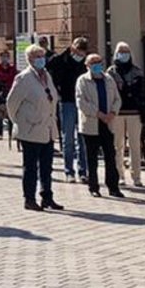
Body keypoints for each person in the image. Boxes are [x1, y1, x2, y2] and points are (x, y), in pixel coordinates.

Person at [4, 43, 63, 212]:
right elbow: (11, 103)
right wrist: (20, 122)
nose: (41, 59)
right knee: (30, 167)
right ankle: (29, 199)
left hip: (47, 128)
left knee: (47, 166)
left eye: (42, 56)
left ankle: (47, 197)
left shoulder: (47, 75)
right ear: (29, 59)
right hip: (30, 129)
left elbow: (51, 98)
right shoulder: (24, 78)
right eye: (37, 56)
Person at [74, 52, 124, 197]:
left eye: (99, 62)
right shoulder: (82, 80)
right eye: (93, 63)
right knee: (92, 158)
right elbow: (81, 102)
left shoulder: (109, 79)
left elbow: (117, 99)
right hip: (91, 124)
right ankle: (94, 187)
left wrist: (112, 113)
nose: (97, 65)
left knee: (110, 156)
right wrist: (99, 114)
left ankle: (113, 187)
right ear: (87, 65)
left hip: (108, 123)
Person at [108, 42, 145, 190]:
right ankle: (120, 175)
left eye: (126, 51)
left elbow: (142, 92)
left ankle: (136, 176)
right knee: (117, 145)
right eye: (121, 51)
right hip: (117, 113)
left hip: (134, 112)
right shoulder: (111, 72)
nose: (123, 54)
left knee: (135, 145)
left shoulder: (137, 72)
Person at [48, 37, 89, 182]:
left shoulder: (86, 62)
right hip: (66, 101)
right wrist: (57, 93)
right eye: (77, 51)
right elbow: (50, 74)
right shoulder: (60, 60)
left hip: (83, 103)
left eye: (82, 53)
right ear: (72, 48)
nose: (80, 55)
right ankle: (69, 171)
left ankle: (83, 171)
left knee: (83, 138)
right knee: (68, 138)